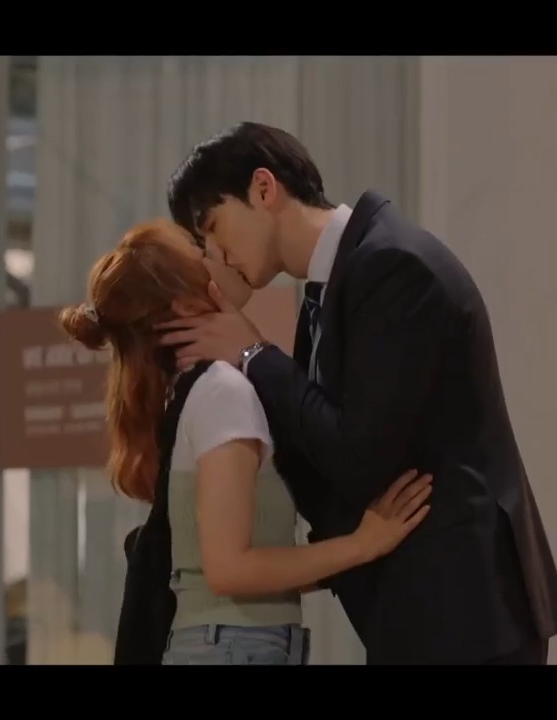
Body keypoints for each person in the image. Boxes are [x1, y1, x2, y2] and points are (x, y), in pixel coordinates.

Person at [159, 122, 557, 665]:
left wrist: (254, 352)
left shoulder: (392, 265)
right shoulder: (332, 290)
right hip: (426, 609)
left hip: (466, 611)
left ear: (263, 188)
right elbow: (322, 453)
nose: (215, 254)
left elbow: (358, 455)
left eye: (213, 228)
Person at [58, 219, 432, 665]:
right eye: (202, 254)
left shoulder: (197, 391)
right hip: (234, 648)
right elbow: (230, 570)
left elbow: (236, 572)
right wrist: (361, 545)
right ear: (187, 303)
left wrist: (359, 553)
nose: (219, 254)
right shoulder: (222, 392)